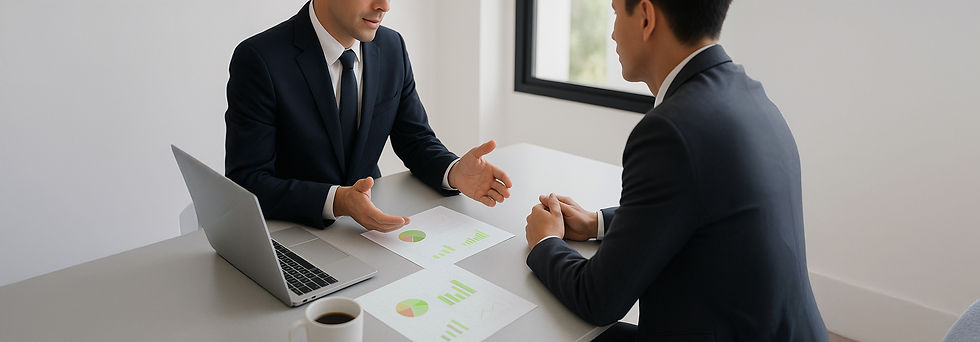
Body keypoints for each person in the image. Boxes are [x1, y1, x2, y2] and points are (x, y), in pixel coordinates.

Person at [523, 0, 827, 340]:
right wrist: (598, 223)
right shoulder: (749, 95)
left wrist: (545, 241)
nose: (611, 33)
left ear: (646, 17)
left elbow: (598, 299)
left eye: (615, 13)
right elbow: (699, 207)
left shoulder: (670, 130)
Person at [224, 0, 512, 232]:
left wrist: (453, 172)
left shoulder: (392, 48)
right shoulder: (260, 58)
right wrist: (339, 201)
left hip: (371, 230)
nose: (385, 6)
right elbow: (247, 181)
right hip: (291, 233)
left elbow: (415, 139)